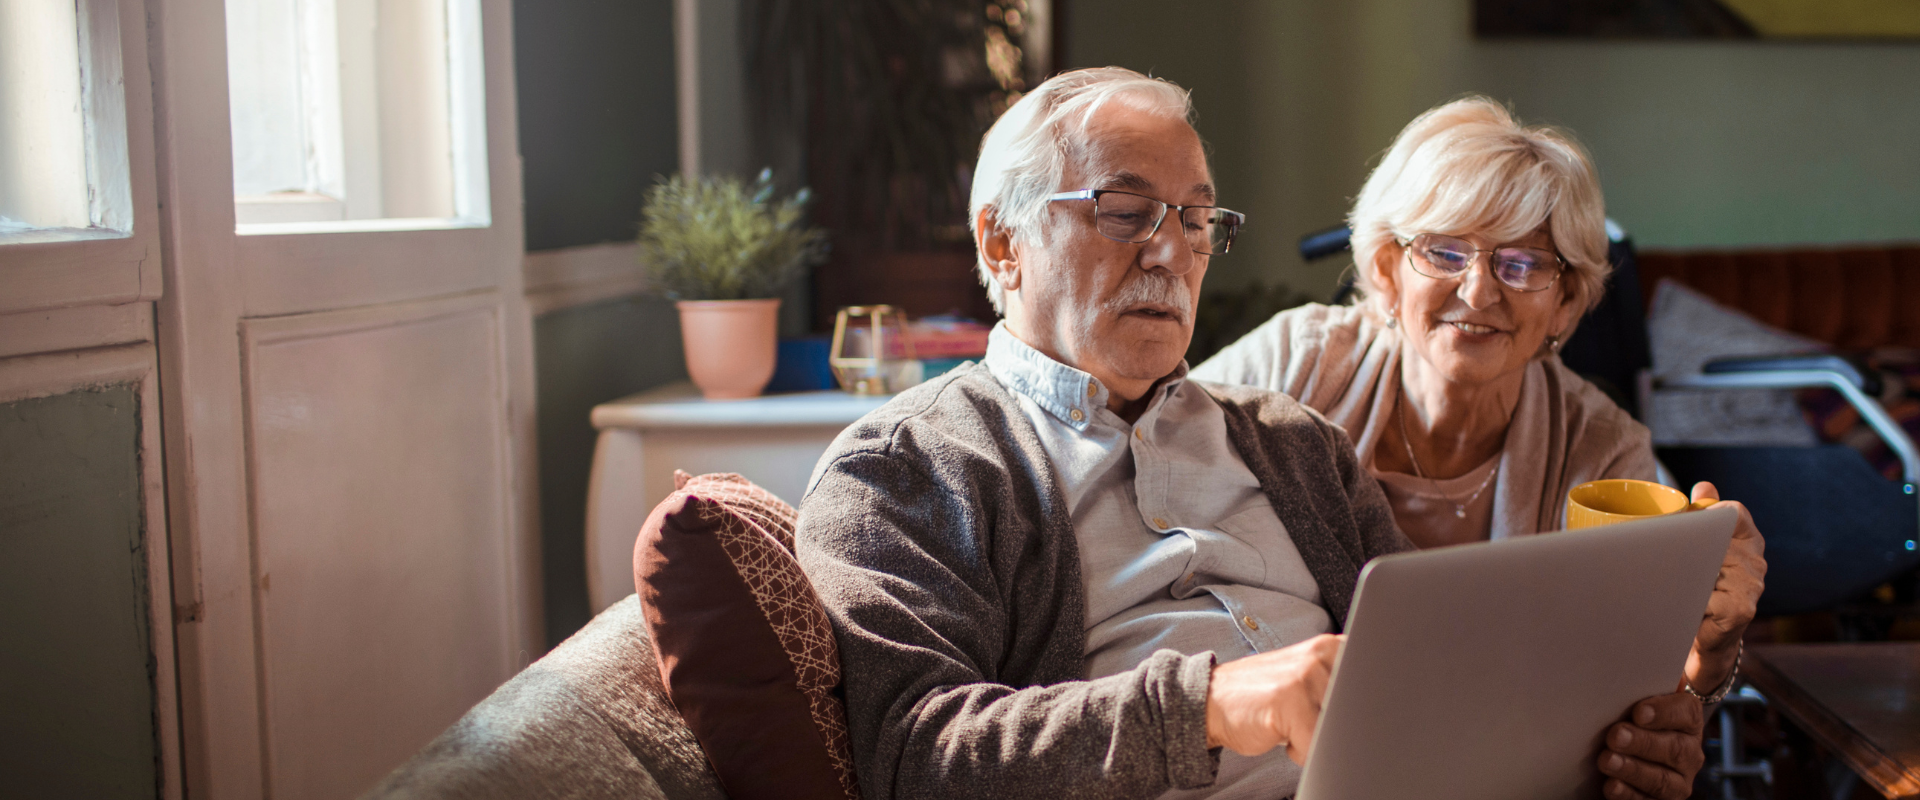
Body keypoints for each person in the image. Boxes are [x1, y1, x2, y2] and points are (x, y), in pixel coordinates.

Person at [796, 70, 1713, 800]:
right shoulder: (910, 468)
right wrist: (1207, 708)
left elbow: (1435, 686)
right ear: (1004, 244)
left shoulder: (1293, 442)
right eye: (1125, 212)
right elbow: (913, 758)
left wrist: (1610, 749)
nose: (1170, 250)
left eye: (1196, 220)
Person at [1192, 96, 1766, 795]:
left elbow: (1646, 693)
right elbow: (1150, 467)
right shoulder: (1296, 364)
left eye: (1523, 264)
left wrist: (1711, 646)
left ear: (1566, 302)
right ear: (1386, 269)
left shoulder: (1604, 447)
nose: (1479, 289)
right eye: (1445, 251)